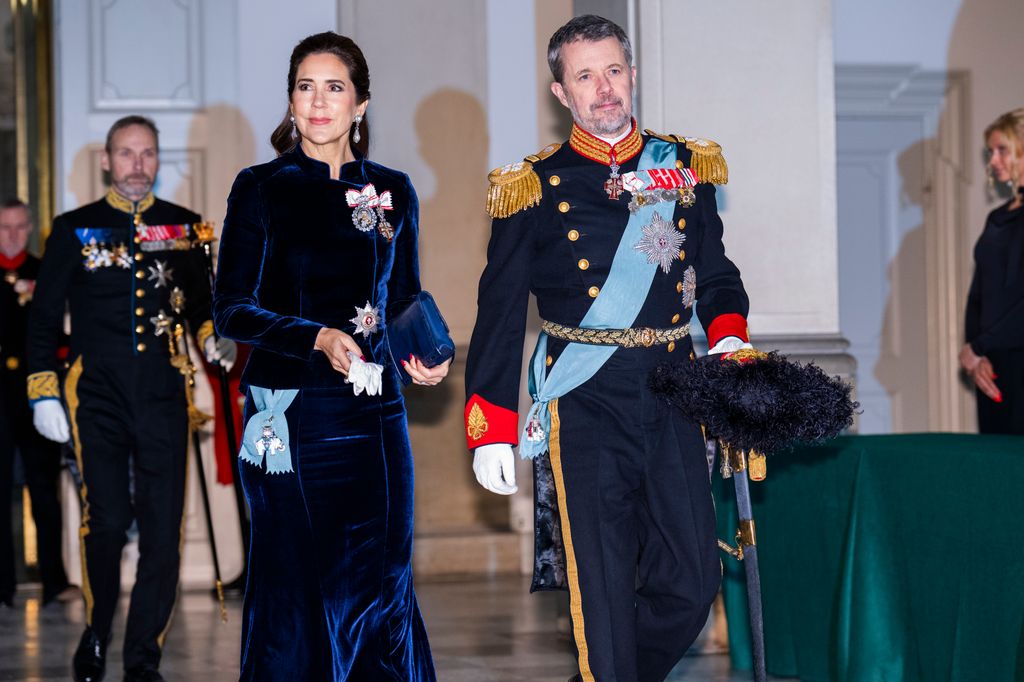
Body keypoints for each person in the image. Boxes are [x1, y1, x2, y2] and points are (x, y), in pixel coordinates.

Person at [465, 15, 752, 682]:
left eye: (613, 70)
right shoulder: (532, 188)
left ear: (631, 73)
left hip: (677, 391)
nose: (604, 89)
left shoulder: (684, 168)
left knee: (692, 578)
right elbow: (500, 318)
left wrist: (729, 331)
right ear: (560, 92)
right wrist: (489, 430)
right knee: (601, 587)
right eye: (585, 75)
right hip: (585, 401)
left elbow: (715, 274)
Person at [213, 32, 447, 681]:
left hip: (375, 418)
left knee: (383, 576)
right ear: (290, 101)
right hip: (289, 415)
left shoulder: (394, 190)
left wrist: (426, 352)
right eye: (305, 86)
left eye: (334, 86)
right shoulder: (261, 188)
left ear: (361, 102)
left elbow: (403, 299)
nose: (318, 102)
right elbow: (230, 308)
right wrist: (314, 337)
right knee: (295, 587)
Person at [26, 115, 236, 682]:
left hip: (165, 396)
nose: (136, 165)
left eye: (146, 154)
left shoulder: (185, 227)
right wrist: (42, 389)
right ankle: (96, 635)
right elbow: (43, 321)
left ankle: (144, 659)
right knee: (109, 522)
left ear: (158, 159)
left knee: (163, 532)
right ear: (106, 161)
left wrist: (214, 337)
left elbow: (200, 306)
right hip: (96, 395)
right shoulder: (74, 230)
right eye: (125, 154)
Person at [0, 198, 78, 608]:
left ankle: (54, 582)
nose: (12, 235)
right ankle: (3, 586)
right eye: (4, 227)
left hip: (37, 394)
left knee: (44, 490)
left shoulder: (44, 272)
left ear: (29, 228)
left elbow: (59, 335)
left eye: (19, 227)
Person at [961, 108, 1024, 434]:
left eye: (1002, 150)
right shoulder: (998, 217)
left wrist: (979, 346)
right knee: (997, 467)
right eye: (991, 151)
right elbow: (979, 294)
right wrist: (975, 353)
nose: (993, 160)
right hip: (992, 364)